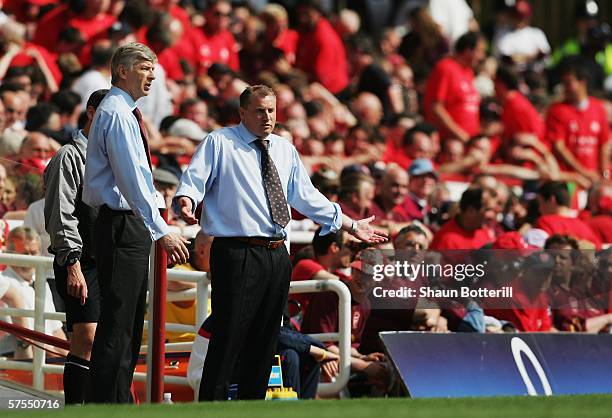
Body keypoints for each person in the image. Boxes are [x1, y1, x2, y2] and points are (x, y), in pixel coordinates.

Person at [175, 84, 387, 401]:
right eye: (260, 110)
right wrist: (186, 200)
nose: (267, 117)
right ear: (242, 112)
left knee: (266, 338)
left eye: (272, 110)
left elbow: (307, 197)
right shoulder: (220, 142)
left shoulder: (284, 149)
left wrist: (350, 224)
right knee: (229, 335)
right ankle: (212, 407)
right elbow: (193, 180)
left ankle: (252, 407)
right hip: (237, 250)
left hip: (276, 253)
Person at [82, 43, 189, 404]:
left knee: (127, 319)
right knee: (119, 318)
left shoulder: (122, 111)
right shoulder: (116, 112)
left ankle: (117, 399)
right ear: (122, 70)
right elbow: (131, 177)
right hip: (121, 223)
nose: (153, 76)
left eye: (153, 68)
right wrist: (160, 228)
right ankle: (106, 402)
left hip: (127, 223)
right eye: (145, 68)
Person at [43, 89, 108, 405]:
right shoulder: (69, 155)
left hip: (110, 258)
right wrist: (72, 264)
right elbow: (60, 211)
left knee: (106, 339)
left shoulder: (113, 156)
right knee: (87, 337)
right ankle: (75, 409)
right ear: (93, 113)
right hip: (82, 260)